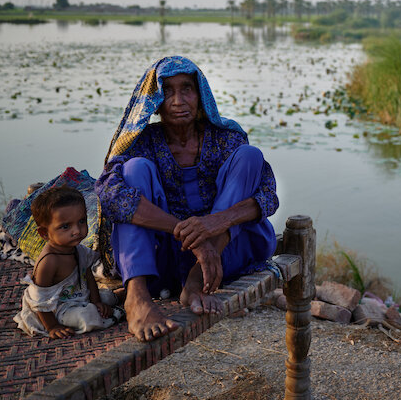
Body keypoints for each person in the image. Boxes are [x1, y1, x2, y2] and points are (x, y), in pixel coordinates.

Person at [95, 56, 279, 342]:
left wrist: (213, 225)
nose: (178, 100)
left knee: (250, 155)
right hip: (161, 259)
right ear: (155, 101)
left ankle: (196, 280)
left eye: (187, 89)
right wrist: (188, 234)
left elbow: (267, 195)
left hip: (227, 254)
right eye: (167, 91)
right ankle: (137, 297)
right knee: (134, 169)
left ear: (200, 94)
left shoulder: (224, 139)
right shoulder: (143, 141)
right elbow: (108, 191)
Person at [14, 186, 119, 338]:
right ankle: (115, 310)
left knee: (105, 298)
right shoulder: (48, 262)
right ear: (44, 233)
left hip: (78, 296)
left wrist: (96, 302)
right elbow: (39, 300)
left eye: (82, 221)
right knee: (88, 316)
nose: (77, 230)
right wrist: (52, 327)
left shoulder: (78, 249)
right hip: (56, 309)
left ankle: (116, 297)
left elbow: (88, 276)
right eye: (65, 226)